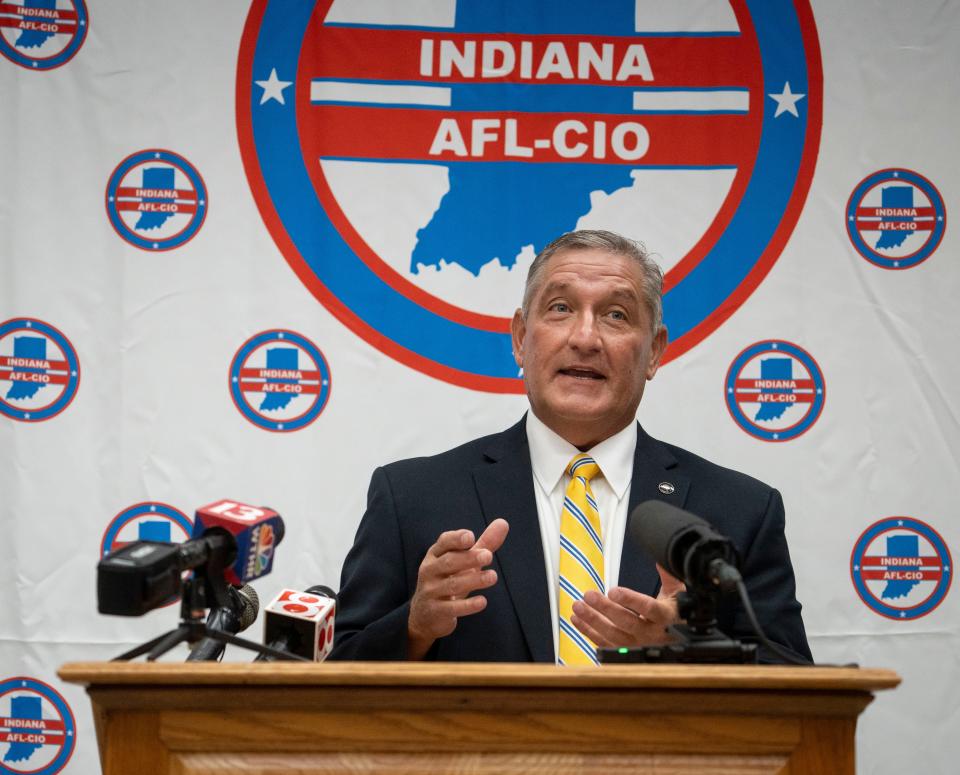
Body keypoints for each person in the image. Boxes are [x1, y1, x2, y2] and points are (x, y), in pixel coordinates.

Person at [330, 230, 810, 664]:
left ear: (655, 352)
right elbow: (338, 683)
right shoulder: (412, 496)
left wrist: (686, 649)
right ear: (520, 339)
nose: (585, 338)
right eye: (560, 308)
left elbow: (796, 687)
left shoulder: (739, 511)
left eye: (616, 315)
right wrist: (415, 626)